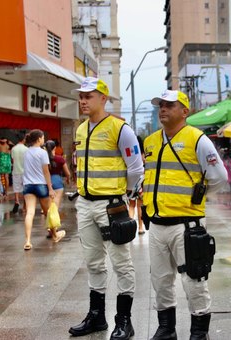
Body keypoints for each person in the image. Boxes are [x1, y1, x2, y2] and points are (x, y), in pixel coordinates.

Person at [143, 90, 228, 340]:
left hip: (186, 225)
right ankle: (166, 328)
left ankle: (199, 332)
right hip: (156, 224)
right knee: (160, 280)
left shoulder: (197, 139)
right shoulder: (150, 141)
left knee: (194, 279)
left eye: (170, 105)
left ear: (185, 111)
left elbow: (219, 177)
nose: (163, 109)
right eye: (160, 105)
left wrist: (197, 196)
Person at [68, 77, 144, 339]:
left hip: (111, 206)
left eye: (88, 96)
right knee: (93, 262)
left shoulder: (120, 129)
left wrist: (129, 194)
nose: (83, 100)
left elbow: (135, 166)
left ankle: (124, 320)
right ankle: (96, 316)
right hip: (85, 203)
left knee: (121, 263)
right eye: (81, 96)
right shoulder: (80, 129)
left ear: (103, 98)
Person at [22, 129, 65, 250]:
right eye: (43, 138)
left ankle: (28, 241)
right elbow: (46, 172)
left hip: (28, 185)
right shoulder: (42, 153)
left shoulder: (26, 152)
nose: (44, 140)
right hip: (41, 185)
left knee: (30, 213)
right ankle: (55, 235)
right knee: (48, 213)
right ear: (39, 139)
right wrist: (50, 188)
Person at [44, 139, 71, 235]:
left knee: (48, 207)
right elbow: (67, 173)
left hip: (46, 182)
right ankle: (54, 229)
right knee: (55, 206)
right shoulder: (60, 159)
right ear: (55, 147)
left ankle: (50, 229)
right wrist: (68, 179)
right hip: (58, 182)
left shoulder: (44, 159)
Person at [128, 135, 145, 234]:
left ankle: (130, 228)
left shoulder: (130, 150)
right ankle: (140, 227)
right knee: (140, 205)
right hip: (141, 179)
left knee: (131, 205)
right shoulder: (142, 152)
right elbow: (144, 162)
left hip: (131, 179)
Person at [11, 132, 28, 214]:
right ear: (24, 139)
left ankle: (17, 201)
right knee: (25, 189)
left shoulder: (13, 149)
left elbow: (13, 160)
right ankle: (25, 206)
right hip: (25, 171)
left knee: (16, 188)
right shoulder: (26, 149)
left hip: (16, 170)